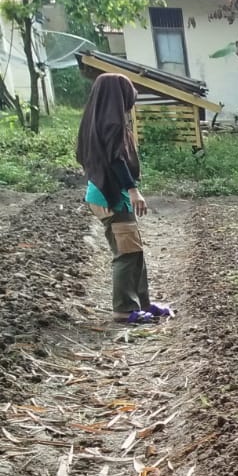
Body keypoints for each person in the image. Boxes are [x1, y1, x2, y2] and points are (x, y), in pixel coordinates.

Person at [75, 74, 174, 324]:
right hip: (112, 197)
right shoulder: (113, 124)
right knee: (126, 254)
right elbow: (117, 159)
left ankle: (143, 303)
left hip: (102, 193)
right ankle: (123, 309)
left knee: (133, 250)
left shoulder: (93, 121)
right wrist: (133, 190)